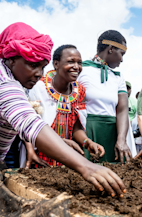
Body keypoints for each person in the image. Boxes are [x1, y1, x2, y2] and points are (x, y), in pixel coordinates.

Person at [0, 22, 126, 197]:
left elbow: (74, 125)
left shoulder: (20, 79)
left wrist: (76, 141)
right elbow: (29, 122)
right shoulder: (6, 84)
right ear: (12, 59)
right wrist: (86, 166)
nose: (38, 73)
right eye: (32, 65)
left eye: (42, 67)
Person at [27, 44, 104, 167]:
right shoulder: (38, 87)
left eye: (79, 63)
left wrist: (87, 142)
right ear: (56, 64)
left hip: (66, 157)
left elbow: (76, 128)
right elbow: (27, 125)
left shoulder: (80, 92)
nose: (76, 67)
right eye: (70, 61)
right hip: (38, 155)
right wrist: (30, 150)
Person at [77, 30, 136, 164]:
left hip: (113, 133)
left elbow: (122, 110)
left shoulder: (118, 77)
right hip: (87, 130)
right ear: (111, 49)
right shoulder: (82, 70)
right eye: (122, 54)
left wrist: (121, 139)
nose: (122, 59)